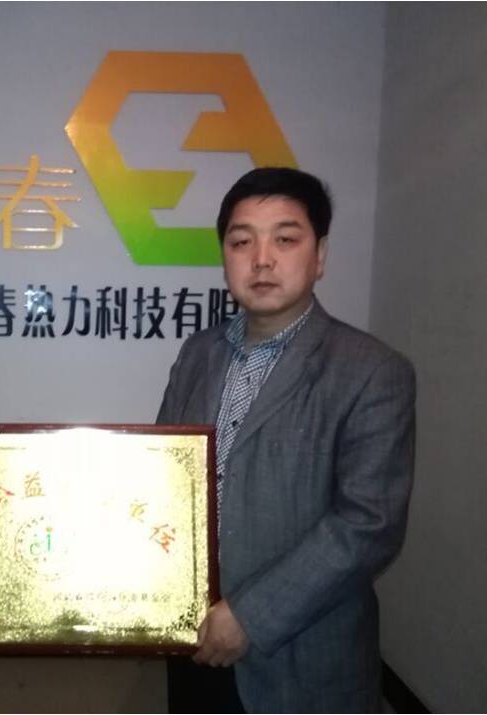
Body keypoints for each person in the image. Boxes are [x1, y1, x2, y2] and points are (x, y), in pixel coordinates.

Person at [157, 168, 415, 712]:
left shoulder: (372, 371)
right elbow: (164, 475)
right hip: (192, 635)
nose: (262, 259)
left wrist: (251, 616)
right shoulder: (197, 354)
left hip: (300, 657)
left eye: (285, 239)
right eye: (241, 241)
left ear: (319, 256)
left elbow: (368, 524)